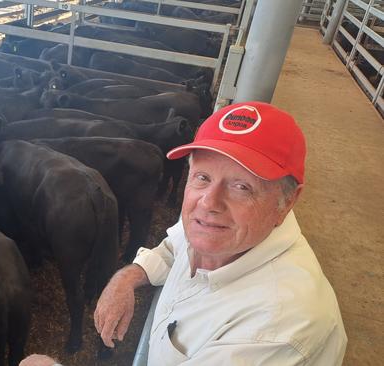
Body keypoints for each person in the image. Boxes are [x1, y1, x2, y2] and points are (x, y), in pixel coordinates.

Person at [20, 101, 347, 366]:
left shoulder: (278, 328)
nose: (209, 202)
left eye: (241, 186)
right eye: (202, 177)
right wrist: (128, 278)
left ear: (288, 200)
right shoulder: (225, 230)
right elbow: (174, 245)